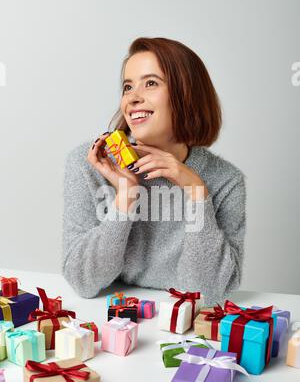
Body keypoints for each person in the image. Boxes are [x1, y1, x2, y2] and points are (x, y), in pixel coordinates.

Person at [61, 37, 246, 305]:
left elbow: (209, 293)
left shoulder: (226, 181)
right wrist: (125, 198)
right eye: (127, 87)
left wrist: (196, 193)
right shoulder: (89, 164)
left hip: (180, 327)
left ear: (187, 95)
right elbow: (82, 280)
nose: (133, 98)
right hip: (111, 318)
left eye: (151, 83)